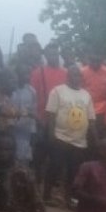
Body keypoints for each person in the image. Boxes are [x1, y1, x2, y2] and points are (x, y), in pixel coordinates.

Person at [44, 64, 96, 205]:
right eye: (74, 74)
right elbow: (51, 115)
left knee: (74, 172)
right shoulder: (57, 91)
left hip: (79, 141)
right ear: (68, 76)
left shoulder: (86, 95)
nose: (77, 77)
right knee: (54, 167)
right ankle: (46, 195)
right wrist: (51, 136)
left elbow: (91, 119)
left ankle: (69, 198)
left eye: (79, 75)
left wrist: (96, 140)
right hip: (60, 137)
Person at [30, 42, 67, 182]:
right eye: (51, 54)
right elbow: (32, 96)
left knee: (57, 157)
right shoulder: (37, 72)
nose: (54, 56)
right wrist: (36, 118)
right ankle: (36, 184)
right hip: (42, 120)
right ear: (45, 55)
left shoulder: (66, 73)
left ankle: (50, 188)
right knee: (39, 156)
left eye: (56, 54)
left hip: (60, 121)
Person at [10, 64, 37, 168]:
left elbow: (33, 113)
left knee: (23, 162)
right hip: (10, 131)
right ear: (17, 74)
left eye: (27, 73)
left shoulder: (32, 91)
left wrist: (33, 133)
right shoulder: (10, 90)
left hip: (25, 133)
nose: (26, 76)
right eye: (23, 73)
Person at [81, 50, 106, 130]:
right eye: (93, 61)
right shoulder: (82, 71)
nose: (95, 63)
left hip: (103, 108)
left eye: (97, 61)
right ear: (89, 60)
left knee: (101, 131)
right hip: (86, 107)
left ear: (101, 61)